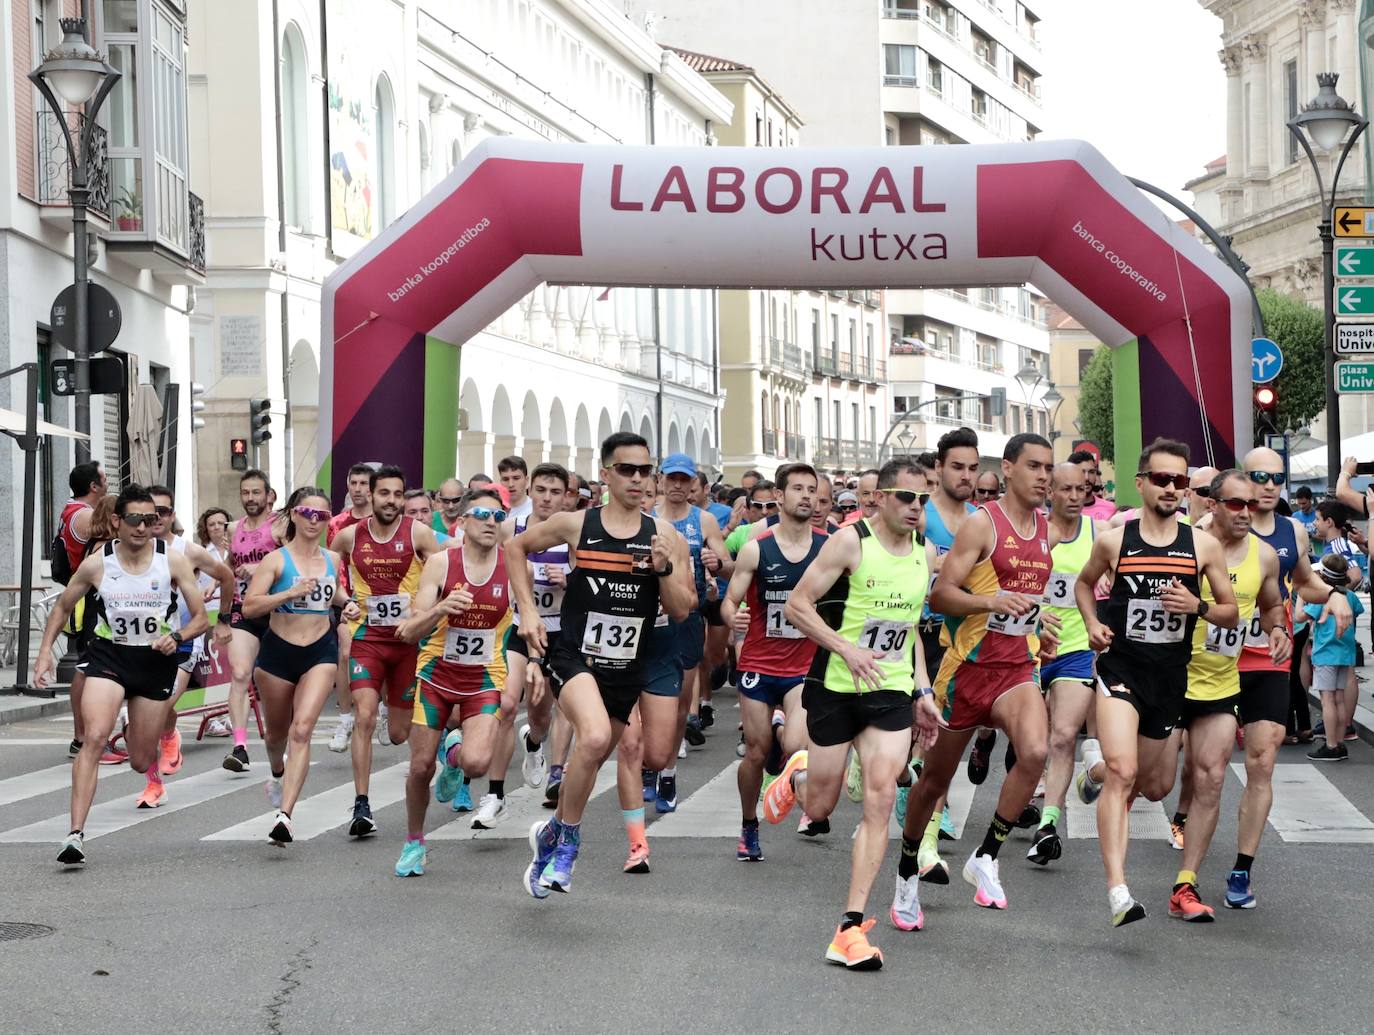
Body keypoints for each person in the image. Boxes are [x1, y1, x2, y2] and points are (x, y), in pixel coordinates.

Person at [766, 457, 940, 969]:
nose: (915, 508)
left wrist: (923, 689)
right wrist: (845, 649)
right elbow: (799, 605)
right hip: (837, 685)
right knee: (819, 807)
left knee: (881, 795)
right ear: (882, 497)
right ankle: (797, 776)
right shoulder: (849, 542)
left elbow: (908, 632)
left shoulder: (924, 554)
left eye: (923, 500)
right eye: (906, 498)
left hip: (889, 689)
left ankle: (849, 926)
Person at [509, 432, 694, 898]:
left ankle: (551, 832)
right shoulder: (576, 524)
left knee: (590, 760)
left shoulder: (665, 536)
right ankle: (569, 842)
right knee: (591, 737)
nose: (637, 478)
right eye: (627, 470)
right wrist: (529, 611)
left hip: (626, 666)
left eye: (644, 471)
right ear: (607, 473)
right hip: (573, 654)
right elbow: (515, 549)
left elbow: (681, 610)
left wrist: (665, 569)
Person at [1073, 438, 1239, 927]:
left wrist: (1200, 607)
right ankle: (1118, 889)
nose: (1171, 488)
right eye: (1162, 479)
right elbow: (1084, 584)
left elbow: (1230, 613)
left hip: (1170, 680)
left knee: (1154, 785)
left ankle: (1095, 773)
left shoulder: (1203, 546)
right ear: (1140, 482)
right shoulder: (1114, 542)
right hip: (1122, 670)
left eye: (1180, 481)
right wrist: (1091, 623)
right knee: (1127, 773)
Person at [892, 434, 1057, 923]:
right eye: (1034, 466)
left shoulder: (1047, 529)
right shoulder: (983, 526)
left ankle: (986, 856)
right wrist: (991, 602)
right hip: (965, 671)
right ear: (1007, 469)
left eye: (1049, 467)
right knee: (935, 781)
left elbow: (1028, 597)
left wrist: (1038, 625)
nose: (1044, 476)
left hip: (1016, 669)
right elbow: (941, 596)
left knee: (1035, 752)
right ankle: (905, 873)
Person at [35, 485, 208, 865]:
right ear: (116, 521)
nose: (144, 527)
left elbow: (200, 618)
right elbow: (63, 606)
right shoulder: (99, 563)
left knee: (140, 760)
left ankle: (149, 731)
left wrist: (176, 637)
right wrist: (45, 652)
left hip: (153, 662)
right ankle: (75, 834)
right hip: (108, 657)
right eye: (135, 519)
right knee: (95, 736)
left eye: (151, 519)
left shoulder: (173, 562)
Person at [1223, 448, 1352, 906]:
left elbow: (1305, 582)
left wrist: (1334, 595)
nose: (1270, 484)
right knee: (1199, 771)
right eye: (1259, 476)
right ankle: (1180, 813)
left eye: (1278, 476)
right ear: (1243, 477)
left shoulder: (1292, 530)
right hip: (1216, 662)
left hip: (1269, 658)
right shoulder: (1212, 530)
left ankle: (1241, 871)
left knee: (1262, 761)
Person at [1173, 469, 1290, 921]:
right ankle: (1103, 768)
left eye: (1253, 504)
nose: (1248, 512)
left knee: (1231, 768)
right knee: (1152, 780)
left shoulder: (1269, 551)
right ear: (1214, 503)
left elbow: (1271, 601)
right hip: (1178, 674)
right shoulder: (1189, 543)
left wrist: (1278, 626)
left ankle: (1231, 873)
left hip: (1238, 672)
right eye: (1237, 503)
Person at [393, 486, 514, 874]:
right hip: (435, 675)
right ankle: (414, 841)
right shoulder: (442, 564)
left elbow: (528, 617)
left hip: (483, 677)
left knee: (478, 764)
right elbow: (410, 631)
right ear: (462, 521)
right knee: (419, 767)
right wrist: (443, 607)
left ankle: (456, 757)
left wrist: (534, 661)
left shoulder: (514, 566)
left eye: (498, 516)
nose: (490, 523)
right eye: (482, 514)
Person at [719, 462, 827, 860]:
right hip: (760, 665)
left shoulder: (827, 547)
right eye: (797, 488)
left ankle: (794, 775)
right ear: (779, 497)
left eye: (811, 489)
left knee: (800, 746)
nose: (806, 495)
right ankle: (749, 824)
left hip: (804, 668)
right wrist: (735, 617)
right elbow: (729, 601)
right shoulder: (756, 548)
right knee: (756, 751)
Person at [329, 465, 444, 836]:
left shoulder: (419, 534)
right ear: (371, 496)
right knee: (363, 716)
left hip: (409, 643)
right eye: (385, 494)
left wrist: (426, 608)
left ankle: (432, 741)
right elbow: (331, 580)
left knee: (397, 734)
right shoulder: (347, 537)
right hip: (367, 638)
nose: (391, 501)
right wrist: (344, 601)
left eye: (398, 495)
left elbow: (445, 572)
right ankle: (362, 805)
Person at [242, 490, 354, 845]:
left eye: (322, 515)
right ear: (292, 514)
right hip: (278, 654)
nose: (313, 520)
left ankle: (285, 815)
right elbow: (250, 607)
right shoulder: (276, 560)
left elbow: (332, 592)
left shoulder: (333, 559)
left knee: (302, 730)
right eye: (307, 512)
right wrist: (287, 595)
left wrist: (347, 604)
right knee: (276, 736)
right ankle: (277, 772)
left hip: (320, 652)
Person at [134, 486, 236, 808]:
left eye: (163, 512)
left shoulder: (188, 551)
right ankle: (157, 774)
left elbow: (226, 576)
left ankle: (164, 747)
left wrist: (223, 620)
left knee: (158, 709)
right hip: (141, 646)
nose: (156, 519)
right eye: (150, 514)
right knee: (146, 717)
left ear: (172, 515)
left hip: (182, 642)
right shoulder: (132, 549)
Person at [1027, 461, 1104, 867]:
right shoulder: (1033, 534)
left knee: (1062, 737)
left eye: (1081, 489)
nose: (1075, 496)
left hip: (1075, 648)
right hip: (1030, 650)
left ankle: (1048, 825)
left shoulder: (1097, 533)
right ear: (1050, 492)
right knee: (1032, 744)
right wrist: (1035, 612)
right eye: (1067, 490)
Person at [644, 453, 732, 809]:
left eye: (685, 480)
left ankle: (666, 773)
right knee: (644, 700)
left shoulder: (704, 520)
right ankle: (650, 762)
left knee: (680, 701)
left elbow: (729, 568)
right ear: (661, 480)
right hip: (649, 619)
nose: (678, 486)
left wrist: (717, 563)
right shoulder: (646, 520)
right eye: (672, 479)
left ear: (693, 484)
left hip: (688, 618)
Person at [914, 427, 980, 876]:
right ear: (938, 468)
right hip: (912, 636)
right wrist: (929, 565)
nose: (966, 476)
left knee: (940, 739)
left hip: (957, 642)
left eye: (974, 468)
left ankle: (926, 840)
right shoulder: (920, 515)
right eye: (957, 467)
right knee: (907, 744)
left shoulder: (981, 519)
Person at [224, 469, 282, 774]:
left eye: (256, 492)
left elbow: (293, 559)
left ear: (268, 495)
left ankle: (282, 740)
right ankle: (240, 747)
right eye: (245, 493)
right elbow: (229, 565)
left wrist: (258, 568)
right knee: (239, 672)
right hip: (243, 610)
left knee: (276, 681)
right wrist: (217, 583)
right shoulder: (234, 529)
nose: (250, 498)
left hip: (276, 612)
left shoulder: (279, 527)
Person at [55, 461, 109, 758]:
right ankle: (83, 738)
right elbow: (112, 531)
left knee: (86, 667)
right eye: (105, 479)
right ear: (94, 486)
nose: (109, 482)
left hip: (86, 595)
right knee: (86, 669)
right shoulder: (86, 515)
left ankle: (86, 737)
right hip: (89, 596)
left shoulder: (71, 510)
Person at [1305, 554, 1365, 761]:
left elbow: (1300, 616)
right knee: (1339, 699)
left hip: (1325, 653)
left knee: (1327, 700)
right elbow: (1357, 611)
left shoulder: (1323, 596)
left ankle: (1330, 745)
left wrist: (1303, 593)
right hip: (1345, 652)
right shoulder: (1350, 595)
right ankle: (1339, 742)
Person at [1070, 449, 1117, 521]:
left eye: (1091, 472)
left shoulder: (1111, 508)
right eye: (1082, 472)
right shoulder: (1063, 511)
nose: (1087, 478)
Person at [498, 456, 533, 521]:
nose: (511, 484)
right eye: (505, 479)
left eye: (516, 478)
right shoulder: (495, 510)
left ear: (526, 481)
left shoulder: (535, 510)